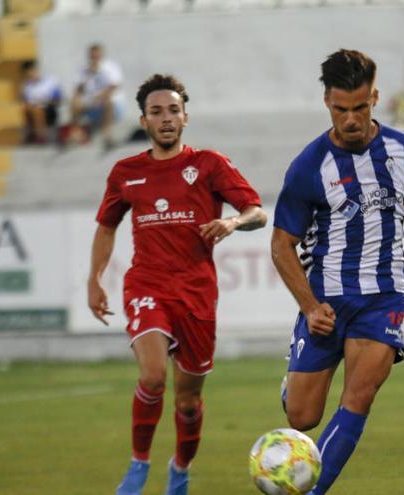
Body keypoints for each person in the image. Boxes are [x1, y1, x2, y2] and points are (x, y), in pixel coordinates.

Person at [270, 49, 404, 495]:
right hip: (327, 302)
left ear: (375, 97)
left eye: (360, 108)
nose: (351, 119)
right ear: (326, 103)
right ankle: (293, 382)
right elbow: (281, 245)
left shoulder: (402, 149)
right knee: (302, 416)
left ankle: (312, 490)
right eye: (341, 109)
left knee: (359, 396)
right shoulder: (308, 167)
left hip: (384, 296)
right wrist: (309, 306)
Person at [88, 74, 266, 495]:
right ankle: (138, 465)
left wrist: (233, 220)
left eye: (172, 110)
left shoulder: (209, 164)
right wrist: (95, 280)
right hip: (147, 284)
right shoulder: (125, 172)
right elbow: (106, 227)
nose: (165, 118)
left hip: (197, 293)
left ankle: (180, 469)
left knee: (187, 402)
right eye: (156, 112)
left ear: (185, 117)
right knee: (152, 377)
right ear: (144, 121)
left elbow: (257, 211)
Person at [69, 43, 124, 149]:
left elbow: (114, 86)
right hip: (92, 105)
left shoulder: (111, 67)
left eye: (97, 55)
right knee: (75, 101)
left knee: (108, 100)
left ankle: (107, 135)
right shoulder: (84, 70)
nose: (95, 58)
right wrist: (88, 75)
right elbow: (78, 89)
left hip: (111, 106)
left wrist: (100, 97)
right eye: (92, 55)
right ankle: (76, 133)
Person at [20, 60, 62, 144]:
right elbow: (26, 103)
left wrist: (43, 102)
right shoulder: (27, 87)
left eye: (32, 71)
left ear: (36, 70)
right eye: (28, 73)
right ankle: (36, 135)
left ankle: (41, 137)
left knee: (37, 110)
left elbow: (58, 101)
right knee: (30, 109)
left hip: (49, 110)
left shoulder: (51, 81)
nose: (31, 75)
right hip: (34, 112)